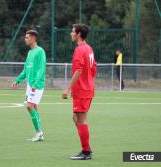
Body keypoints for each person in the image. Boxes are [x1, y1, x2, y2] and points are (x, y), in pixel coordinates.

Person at [62, 24, 97, 160]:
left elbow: (78, 71)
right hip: (87, 89)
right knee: (76, 118)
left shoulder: (80, 50)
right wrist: (89, 82)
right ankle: (86, 148)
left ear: (79, 34)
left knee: (80, 120)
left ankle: (86, 152)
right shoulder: (89, 49)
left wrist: (67, 88)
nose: (71, 34)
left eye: (72, 32)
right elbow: (94, 68)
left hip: (81, 90)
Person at [11, 30, 46, 142]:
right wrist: (17, 80)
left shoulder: (40, 51)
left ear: (33, 38)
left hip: (37, 84)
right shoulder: (30, 53)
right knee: (34, 107)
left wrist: (36, 83)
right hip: (30, 85)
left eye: (27, 37)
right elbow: (26, 69)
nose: (25, 39)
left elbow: (41, 68)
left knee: (29, 106)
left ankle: (39, 132)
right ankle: (40, 133)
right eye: (25, 37)